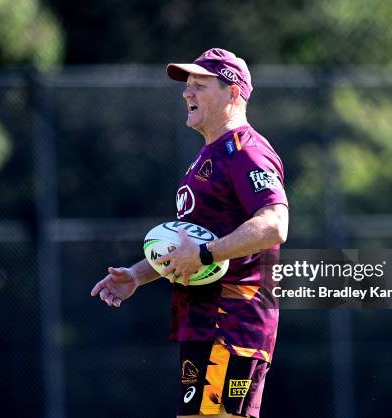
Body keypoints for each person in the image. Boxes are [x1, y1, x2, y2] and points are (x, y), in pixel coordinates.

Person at [91, 48, 289, 418]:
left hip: (233, 325)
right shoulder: (207, 157)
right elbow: (191, 245)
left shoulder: (247, 152)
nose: (187, 93)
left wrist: (203, 255)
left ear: (232, 93)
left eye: (199, 85)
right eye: (188, 86)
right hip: (202, 324)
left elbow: (275, 224)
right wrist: (137, 274)